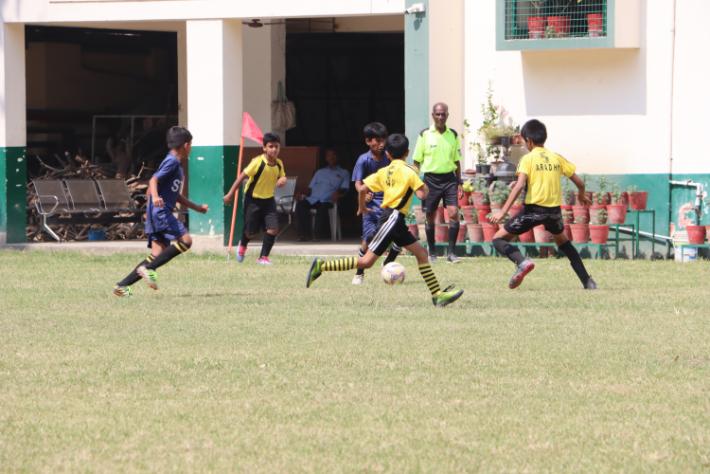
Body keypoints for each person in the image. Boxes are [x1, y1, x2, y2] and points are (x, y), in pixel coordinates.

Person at [306, 133, 464, 308]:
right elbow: (422, 194)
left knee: (421, 254)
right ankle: (321, 266)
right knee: (366, 262)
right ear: (407, 152)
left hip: (395, 219)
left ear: (387, 153)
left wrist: (362, 207)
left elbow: (362, 189)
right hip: (392, 219)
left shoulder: (383, 171)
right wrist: (426, 186)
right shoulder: (411, 170)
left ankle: (437, 296)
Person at [489, 119, 597, 290]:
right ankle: (588, 281)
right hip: (553, 212)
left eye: (523, 141)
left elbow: (519, 185)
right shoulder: (556, 158)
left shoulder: (528, 159)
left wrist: (502, 212)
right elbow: (580, 183)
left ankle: (522, 262)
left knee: (498, 239)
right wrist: (582, 195)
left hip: (533, 211)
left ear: (529, 141)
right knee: (565, 244)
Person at [113, 126, 208, 296]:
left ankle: (122, 286)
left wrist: (196, 208)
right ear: (186, 145)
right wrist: (156, 197)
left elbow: (175, 195)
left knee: (157, 253)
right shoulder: (172, 162)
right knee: (186, 241)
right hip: (161, 212)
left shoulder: (174, 164)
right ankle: (149, 269)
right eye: (191, 145)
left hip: (156, 212)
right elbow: (153, 180)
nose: (191, 148)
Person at [224, 132, 287, 265]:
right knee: (251, 232)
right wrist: (230, 194)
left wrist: (283, 179)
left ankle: (263, 257)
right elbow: (241, 177)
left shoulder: (279, 163)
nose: (274, 149)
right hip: (253, 200)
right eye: (271, 146)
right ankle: (243, 244)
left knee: (273, 229)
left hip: (269, 200)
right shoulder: (257, 162)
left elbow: (282, 176)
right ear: (264, 148)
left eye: (276, 146)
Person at [350, 122, 401, 285]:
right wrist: (363, 194)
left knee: (399, 238)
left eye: (383, 140)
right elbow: (358, 183)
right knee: (368, 239)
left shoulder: (389, 157)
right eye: (377, 140)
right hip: (371, 207)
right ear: (368, 141)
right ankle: (359, 273)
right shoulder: (363, 160)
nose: (381, 144)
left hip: (389, 205)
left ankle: (388, 262)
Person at [412, 102, 463, 264]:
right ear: (433, 115)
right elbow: (416, 161)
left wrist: (459, 182)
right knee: (430, 215)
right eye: (438, 114)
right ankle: (432, 252)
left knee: (453, 213)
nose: (440, 117)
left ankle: (451, 253)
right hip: (430, 181)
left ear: (447, 115)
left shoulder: (453, 135)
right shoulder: (424, 135)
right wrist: (415, 183)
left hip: (449, 179)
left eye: (443, 114)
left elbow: (457, 161)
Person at [295, 149, 349, 241]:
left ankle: (317, 235)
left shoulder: (344, 173)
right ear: (326, 158)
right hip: (313, 198)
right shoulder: (319, 172)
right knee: (300, 205)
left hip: (327, 200)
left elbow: (345, 188)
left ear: (338, 157)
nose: (331, 157)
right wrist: (301, 192)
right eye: (329, 155)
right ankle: (304, 234)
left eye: (333, 155)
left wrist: (338, 193)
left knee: (322, 209)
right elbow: (310, 188)